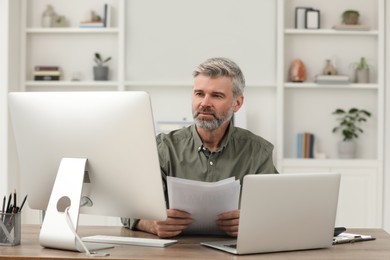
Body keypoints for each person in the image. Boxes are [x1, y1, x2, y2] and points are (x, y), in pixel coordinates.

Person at [122, 57, 278, 238]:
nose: (204, 103)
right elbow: (127, 208)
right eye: (199, 93)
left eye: (216, 95)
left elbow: (277, 210)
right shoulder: (163, 148)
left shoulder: (258, 152)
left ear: (237, 103)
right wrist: (150, 224)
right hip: (174, 253)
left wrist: (253, 222)